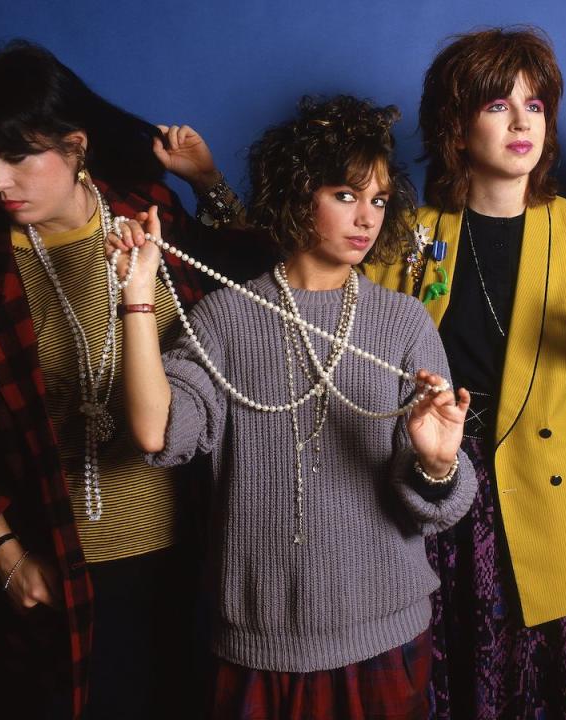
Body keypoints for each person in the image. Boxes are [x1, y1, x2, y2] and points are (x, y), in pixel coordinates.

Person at [107, 94, 477, 720]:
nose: (367, 218)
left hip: (383, 631)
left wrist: (437, 464)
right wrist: (137, 298)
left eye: (379, 200)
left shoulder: (404, 322)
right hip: (259, 639)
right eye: (345, 195)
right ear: (298, 194)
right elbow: (154, 432)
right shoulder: (224, 317)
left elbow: (440, 503)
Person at [0, 40, 249, 719]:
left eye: (17, 157)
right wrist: (3, 551)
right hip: (62, 573)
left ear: (76, 146)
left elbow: (244, 284)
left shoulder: (150, 216)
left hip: (192, 553)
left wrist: (207, 182)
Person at [365, 28, 566, 719]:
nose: (522, 122)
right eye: (497, 106)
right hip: (438, 493)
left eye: (535, 105)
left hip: (554, 507)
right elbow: (347, 334)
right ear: (455, 129)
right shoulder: (408, 233)